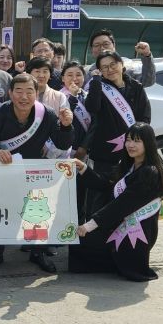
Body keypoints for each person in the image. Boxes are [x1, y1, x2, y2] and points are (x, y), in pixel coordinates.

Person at [0, 73, 74, 273]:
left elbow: (62, 144)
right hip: (4, 171)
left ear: (36, 93)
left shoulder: (47, 114)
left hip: (34, 172)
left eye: (29, 91)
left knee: (37, 213)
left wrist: (66, 127)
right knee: (1, 212)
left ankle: (38, 252)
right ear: (10, 93)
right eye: (19, 91)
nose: (24, 97)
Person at [71, 122, 163, 281]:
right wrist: (83, 168)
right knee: (78, 244)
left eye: (137, 141)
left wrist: (90, 225)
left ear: (148, 143)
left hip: (135, 235)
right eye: (128, 140)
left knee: (82, 242)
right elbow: (105, 183)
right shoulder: (129, 166)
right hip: (117, 225)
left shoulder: (150, 173)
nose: (131, 145)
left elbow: (122, 205)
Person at [82, 50, 151, 219]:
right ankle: (93, 230)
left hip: (131, 151)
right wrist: (96, 80)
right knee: (99, 197)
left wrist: (136, 140)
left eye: (113, 64)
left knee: (126, 196)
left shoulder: (136, 87)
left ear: (121, 64)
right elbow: (92, 107)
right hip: (104, 153)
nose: (110, 69)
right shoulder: (99, 86)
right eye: (104, 67)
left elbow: (144, 117)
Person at [60, 60, 93, 221]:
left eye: (78, 75)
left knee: (80, 193)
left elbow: (94, 125)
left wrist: (84, 147)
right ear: (62, 78)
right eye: (70, 75)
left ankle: (79, 227)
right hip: (62, 153)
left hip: (83, 153)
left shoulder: (89, 97)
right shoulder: (58, 96)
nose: (74, 78)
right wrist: (72, 97)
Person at [86, 29, 155, 87]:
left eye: (106, 44)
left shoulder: (128, 65)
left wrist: (146, 55)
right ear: (92, 49)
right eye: (97, 45)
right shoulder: (89, 72)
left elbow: (147, 82)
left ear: (114, 45)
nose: (102, 48)